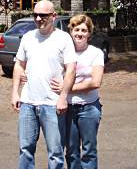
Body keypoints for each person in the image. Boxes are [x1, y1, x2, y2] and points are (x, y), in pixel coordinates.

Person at [11, 0, 77, 169]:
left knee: (55, 152)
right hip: (28, 103)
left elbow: (71, 69)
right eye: (35, 15)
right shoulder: (28, 38)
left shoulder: (63, 39)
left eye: (43, 15)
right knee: (25, 149)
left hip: (52, 104)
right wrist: (15, 93)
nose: (39, 18)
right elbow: (19, 65)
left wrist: (63, 97)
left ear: (53, 16)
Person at [50, 14, 104, 169]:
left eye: (84, 30)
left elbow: (95, 82)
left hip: (89, 107)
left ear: (89, 33)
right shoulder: (63, 53)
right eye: (76, 29)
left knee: (89, 150)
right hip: (67, 109)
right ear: (71, 31)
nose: (80, 33)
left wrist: (67, 88)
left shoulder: (95, 53)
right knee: (71, 150)